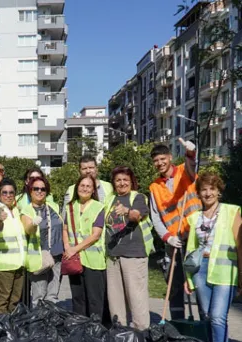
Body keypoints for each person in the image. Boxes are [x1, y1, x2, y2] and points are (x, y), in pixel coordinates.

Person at [184, 173, 242, 342]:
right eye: (204, 190)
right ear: (199, 194)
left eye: (212, 189)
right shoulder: (194, 218)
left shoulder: (232, 211)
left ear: (219, 191)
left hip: (225, 272)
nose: (208, 193)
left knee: (218, 317)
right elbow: (191, 251)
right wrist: (188, 279)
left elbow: (240, 246)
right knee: (207, 316)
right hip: (200, 271)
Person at [149, 139, 201, 320]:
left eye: (163, 159)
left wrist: (190, 152)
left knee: (198, 283)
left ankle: (204, 325)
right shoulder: (154, 187)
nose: (160, 163)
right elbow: (155, 216)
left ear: (170, 157)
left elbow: (192, 163)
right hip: (174, 242)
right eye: (156, 161)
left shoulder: (184, 172)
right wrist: (167, 237)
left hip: (195, 238)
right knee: (174, 286)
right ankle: (178, 326)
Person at [104, 166, 154, 330]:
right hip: (112, 257)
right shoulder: (109, 199)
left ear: (132, 182)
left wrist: (126, 211)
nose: (122, 183)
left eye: (125, 179)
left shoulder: (138, 197)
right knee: (116, 303)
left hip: (133, 256)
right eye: (118, 180)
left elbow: (136, 215)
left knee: (137, 301)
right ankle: (121, 339)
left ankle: (142, 339)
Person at [63, 175, 106, 318]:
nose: (85, 188)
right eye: (82, 185)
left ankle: (95, 331)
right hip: (74, 259)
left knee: (95, 299)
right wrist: (67, 247)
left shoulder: (98, 207)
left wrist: (74, 249)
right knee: (78, 298)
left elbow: (96, 235)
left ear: (93, 190)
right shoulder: (70, 206)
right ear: (77, 187)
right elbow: (65, 229)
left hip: (93, 260)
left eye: (88, 186)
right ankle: (79, 329)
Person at [21, 176, 63, 306]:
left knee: (52, 295)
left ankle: (50, 323)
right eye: (36, 188)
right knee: (39, 296)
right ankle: (38, 324)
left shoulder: (53, 207)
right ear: (30, 191)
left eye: (43, 189)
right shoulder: (27, 210)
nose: (40, 191)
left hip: (56, 255)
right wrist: (33, 224)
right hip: (40, 257)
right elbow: (28, 229)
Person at [0, 178, 26, 314]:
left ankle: (12, 329)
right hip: (4, 266)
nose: (8, 195)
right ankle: (2, 331)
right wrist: (0, 220)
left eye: (11, 192)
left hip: (19, 264)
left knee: (15, 301)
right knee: (2, 302)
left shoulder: (16, 211)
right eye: (4, 193)